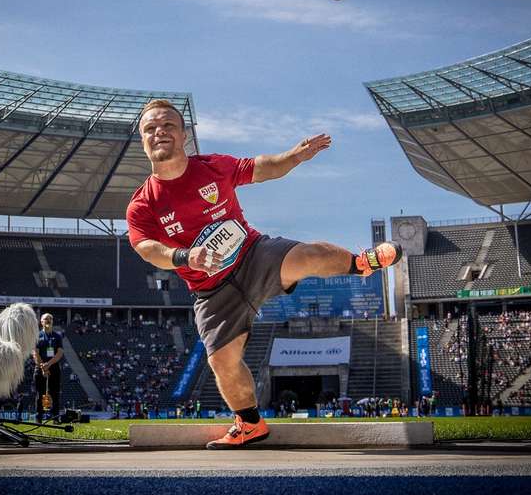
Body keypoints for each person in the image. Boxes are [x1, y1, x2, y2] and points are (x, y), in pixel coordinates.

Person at [126, 100, 402, 449]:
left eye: (167, 125)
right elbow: (146, 248)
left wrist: (294, 157)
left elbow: (262, 167)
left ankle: (360, 264)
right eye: (150, 128)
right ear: (142, 141)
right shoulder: (142, 204)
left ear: (184, 135)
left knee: (309, 255)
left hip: (253, 255)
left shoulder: (212, 167)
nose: (159, 132)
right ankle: (250, 424)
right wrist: (184, 256)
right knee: (221, 361)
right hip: (211, 289)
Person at [31, 313, 63, 422]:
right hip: (40, 368)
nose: (48, 320)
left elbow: (59, 353)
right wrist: (43, 367)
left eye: (50, 318)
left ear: (52, 321)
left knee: (55, 394)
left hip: (53, 368)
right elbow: (35, 353)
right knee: (40, 394)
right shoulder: (37, 336)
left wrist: (48, 364)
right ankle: (38, 418)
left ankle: (55, 417)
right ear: (41, 322)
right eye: (45, 319)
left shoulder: (57, 336)